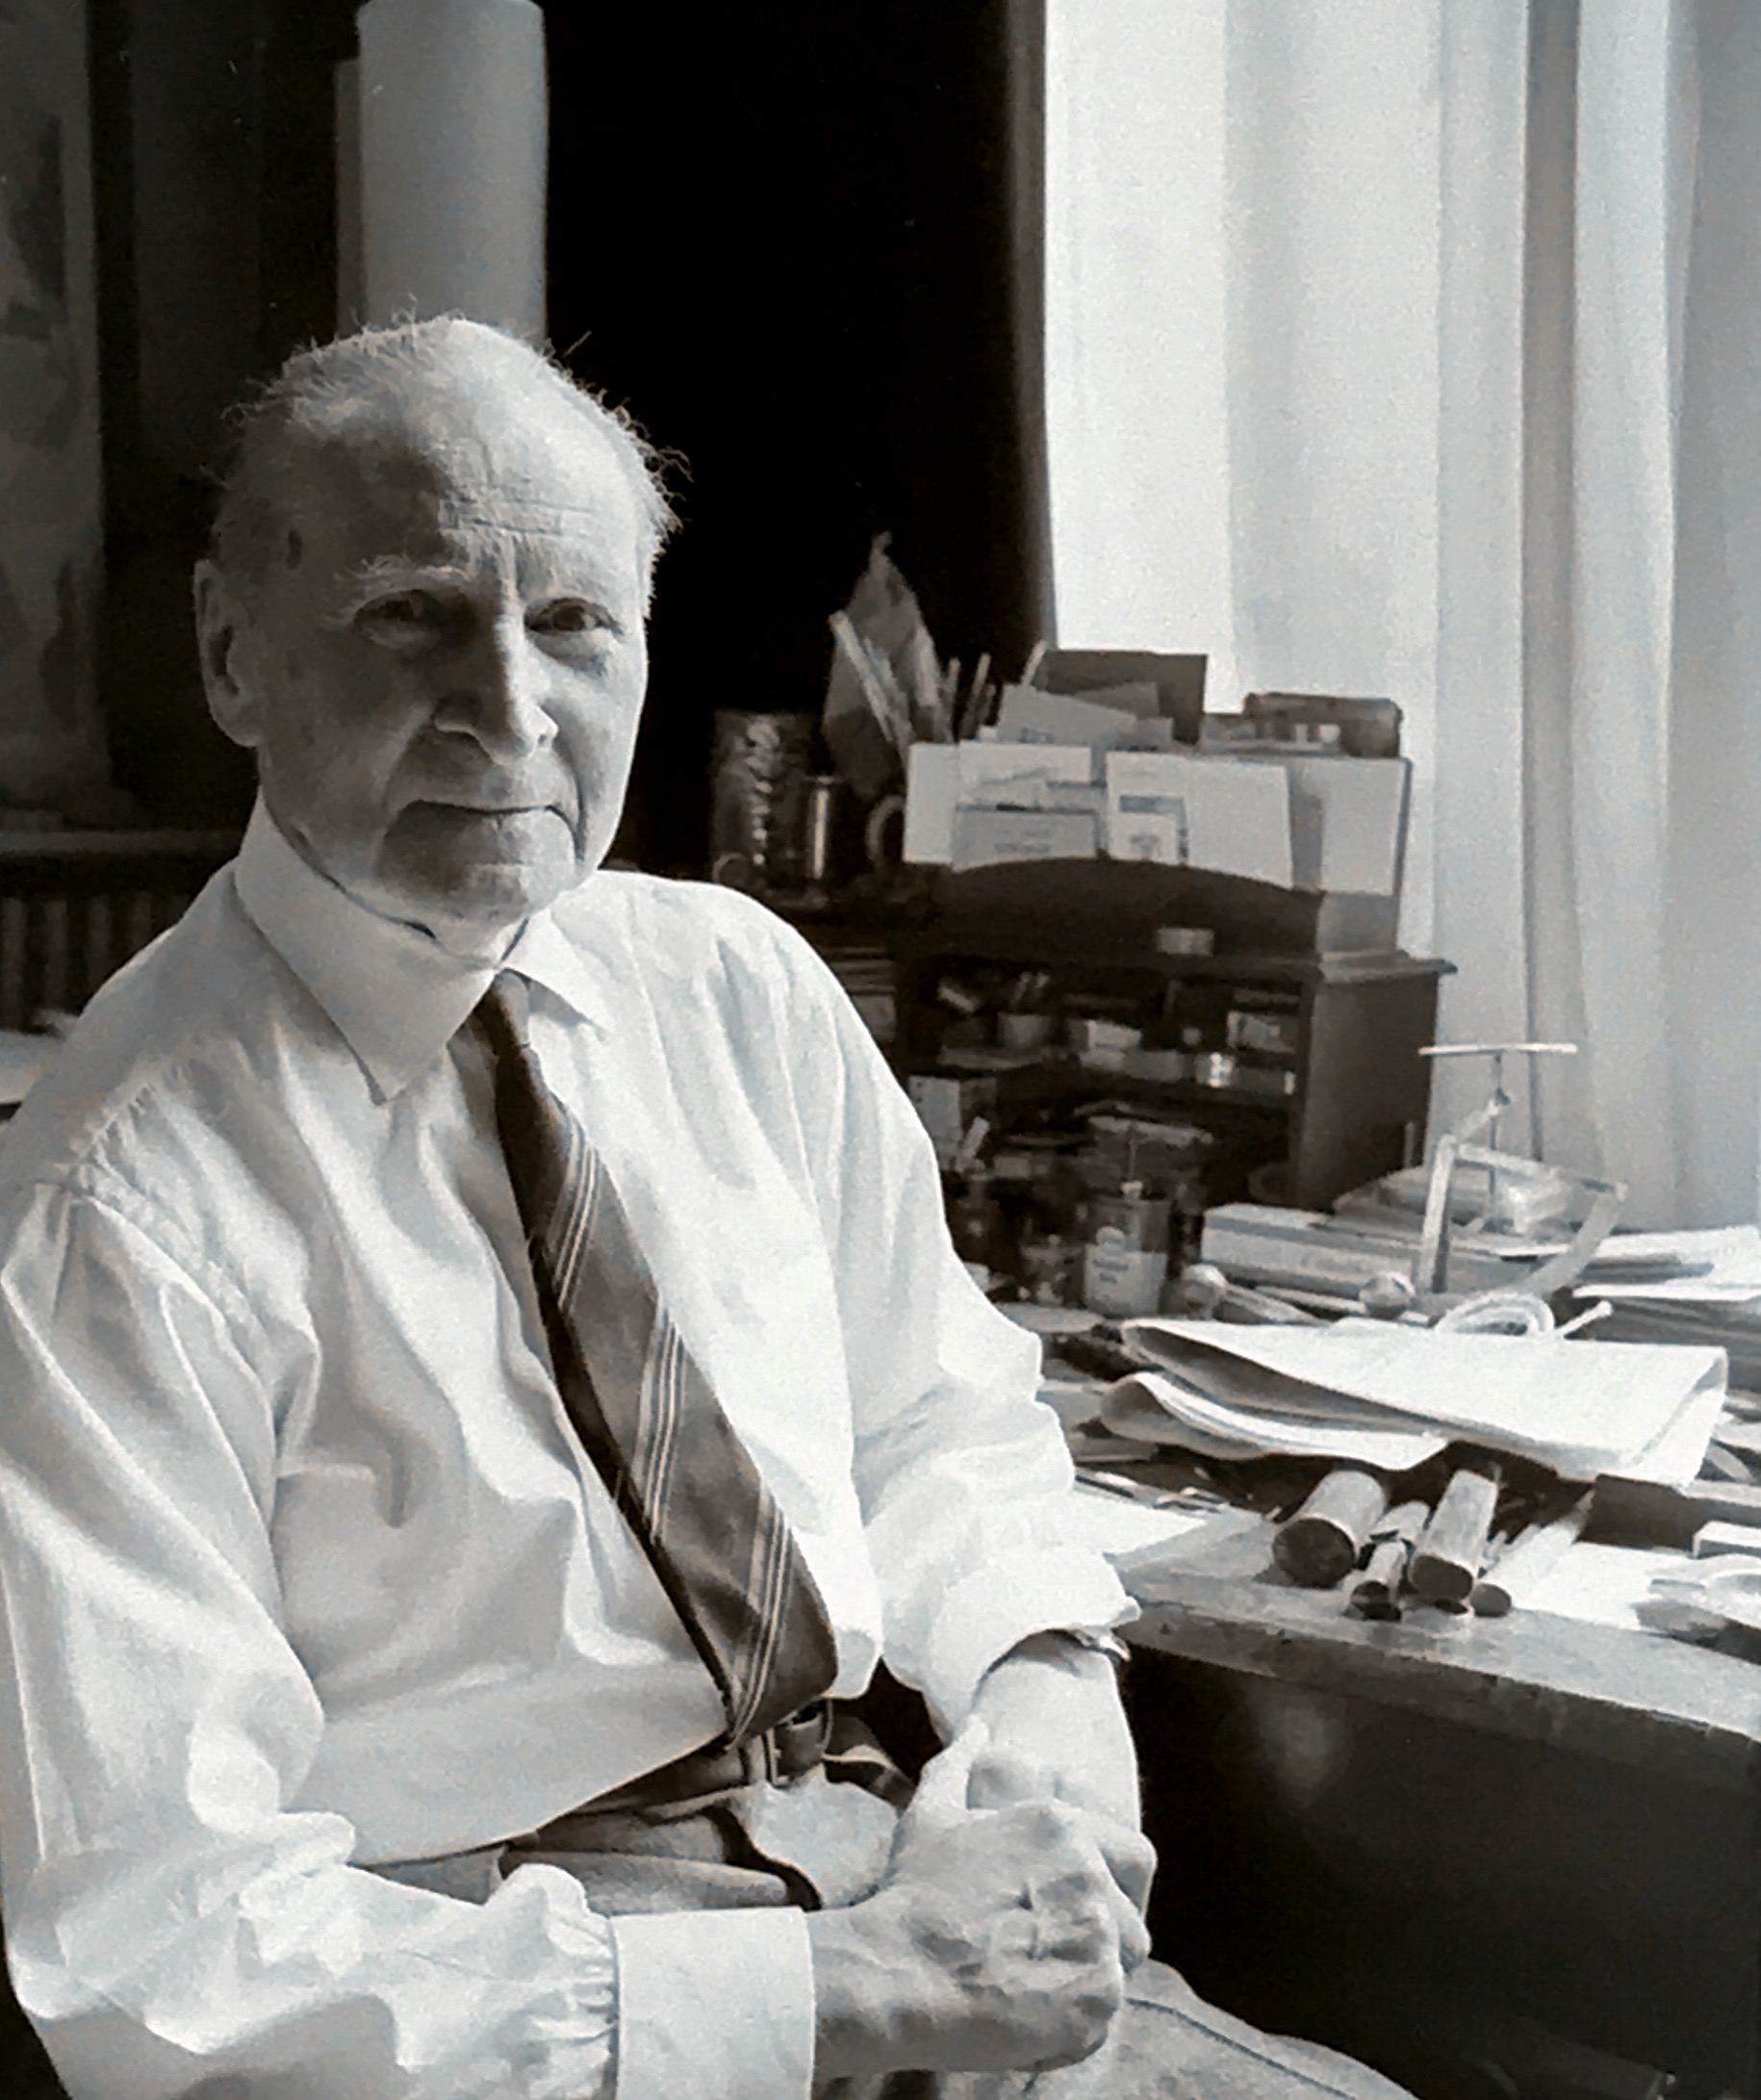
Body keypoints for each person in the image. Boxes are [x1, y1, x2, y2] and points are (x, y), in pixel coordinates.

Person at [0, 317, 1414, 2099]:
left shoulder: (732, 984)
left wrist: (1044, 1681)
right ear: (232, 653)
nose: (512, 707)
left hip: (877, 1840)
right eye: (410, 614)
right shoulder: (104, 1211)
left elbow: (935, 1414)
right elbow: (161, 1946)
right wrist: (843, 1988)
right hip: (497, 1994)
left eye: (572, 622)